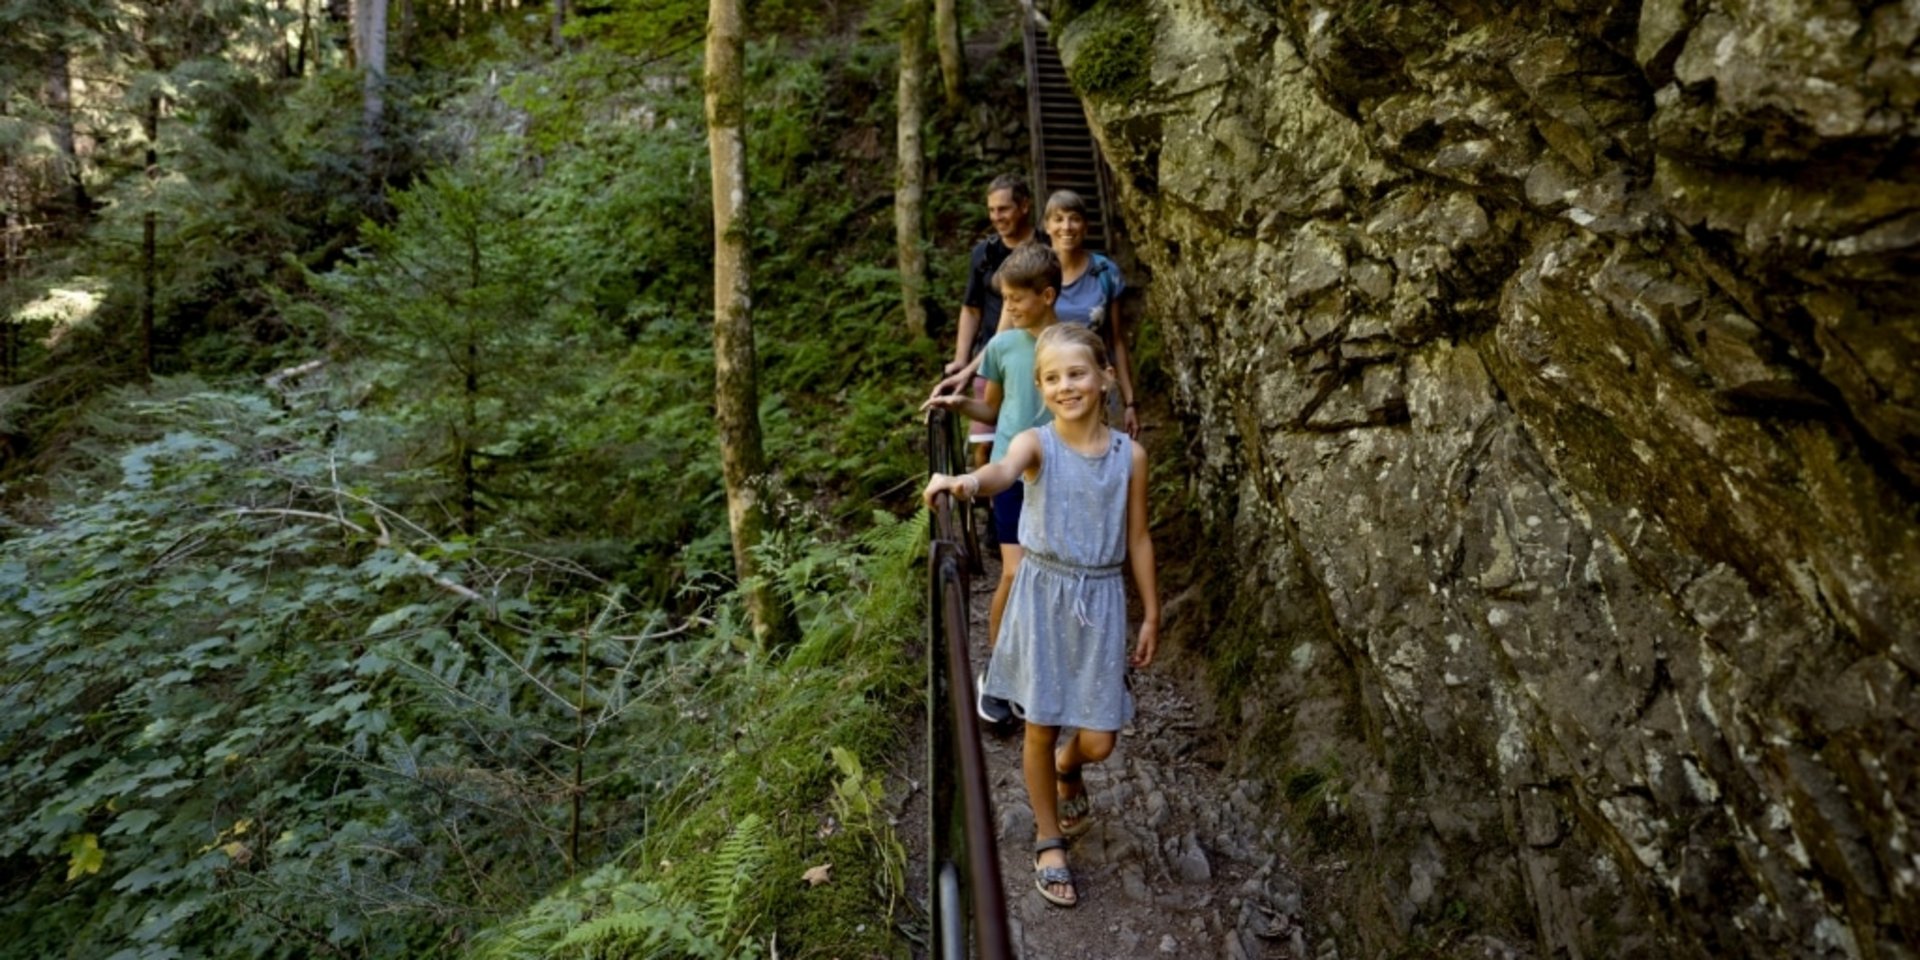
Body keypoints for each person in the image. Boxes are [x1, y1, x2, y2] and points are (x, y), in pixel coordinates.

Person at [922, 324, 1161, 908]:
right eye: (1051, 378)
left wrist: (1152, 614)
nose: (1065, 386)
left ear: (1106, 378)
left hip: (1100, 600)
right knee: (1041, 723)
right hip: (1041, 594)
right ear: (1040, 387)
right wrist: (964, 481)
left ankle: (1068, 766)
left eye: (1077, 373)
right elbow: (1001, 472)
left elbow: (1138, 537)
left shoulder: (1130, 456)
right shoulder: (1036, 443)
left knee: (1099, 740)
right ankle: (1048, 839)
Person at [923, 244, 1061, 727]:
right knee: (1015, 573)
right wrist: (960, 405)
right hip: (1010, 473)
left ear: (1047, 296)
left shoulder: (1072, 344)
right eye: (1004, 299)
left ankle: (1038, 667)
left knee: (1052, 577)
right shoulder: (1002, 348)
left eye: (1017, 299)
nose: (1008, 308)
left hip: (1059, 476)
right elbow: (994, 409)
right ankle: (999, 672)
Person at [936, 173, 1048, 469]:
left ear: (1024, 206)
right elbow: (971, 309)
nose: (997, 217)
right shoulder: (984, 254)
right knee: (985, 444)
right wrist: (961, 360)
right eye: (991, 210)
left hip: (1035, 355)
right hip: (989, 357)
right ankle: (988, 495)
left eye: (1004, 209)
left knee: (1031, 437)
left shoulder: (1047, 249)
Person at [1042, 189, 1140, 437]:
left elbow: (1116, 341)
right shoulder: (1037, 273)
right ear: (1046, 226)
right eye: (1058, 219)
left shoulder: (1106, 272)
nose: (1067, 226)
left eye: (1074, 218)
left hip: (1096, 387)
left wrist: (1130, 402)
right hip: (1050, 390)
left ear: (1085, 226)